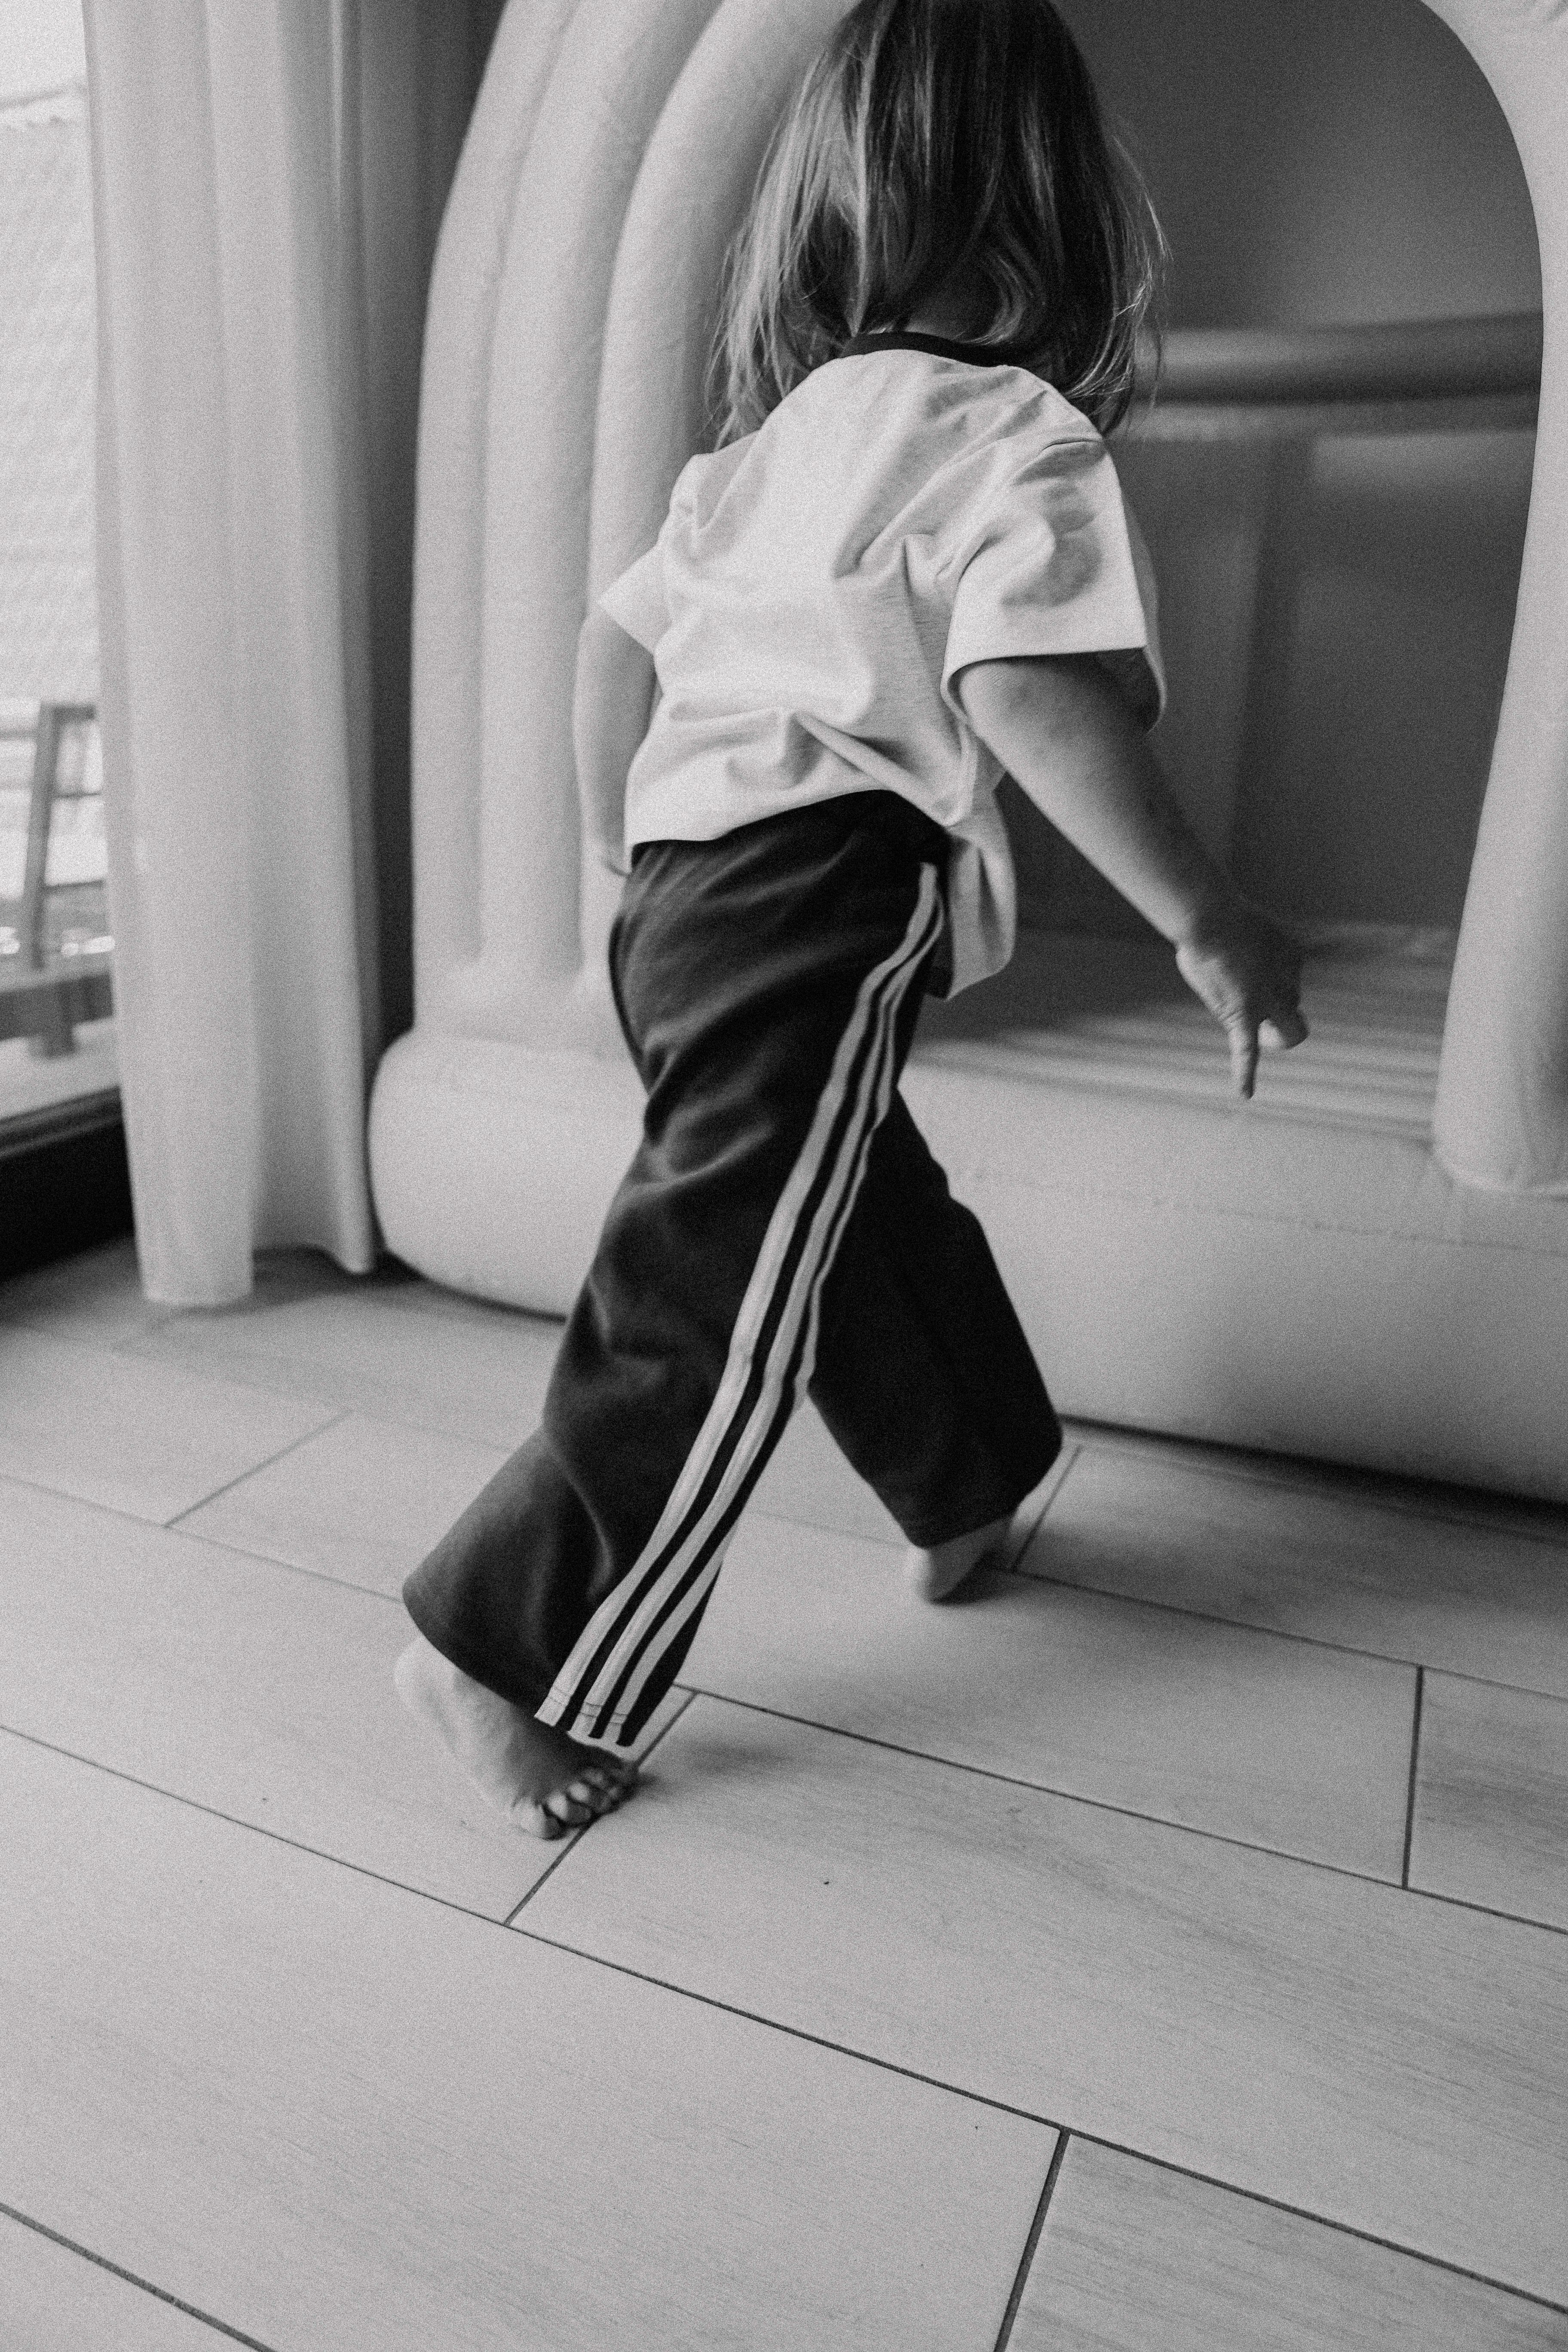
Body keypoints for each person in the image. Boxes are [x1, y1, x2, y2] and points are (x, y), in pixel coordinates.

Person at [395, 0, 1308, 1840]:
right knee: (717, 1302)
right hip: (813, 892)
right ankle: (493, 1647)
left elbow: (611, 648)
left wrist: (620, 849)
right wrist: (1205, 915)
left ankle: (968, 1475)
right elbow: (1025, 692)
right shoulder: (1014, 433)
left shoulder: (770, 445)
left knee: (856, 1197)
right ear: (1049, 224)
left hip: (678, 894)